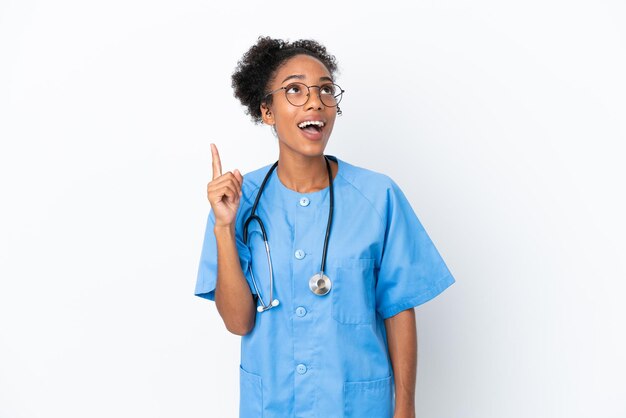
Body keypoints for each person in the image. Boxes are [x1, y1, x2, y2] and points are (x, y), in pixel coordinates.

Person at [195, 36, 455, 418]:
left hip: (356, 406)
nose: (315, 101)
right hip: (273, 405)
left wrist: (406, 408)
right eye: (295, 90)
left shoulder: (377, 196)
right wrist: (223, 227)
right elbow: (238, 321)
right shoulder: (237, 201)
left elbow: (399, 309)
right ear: (266, 111)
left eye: (326, 90)